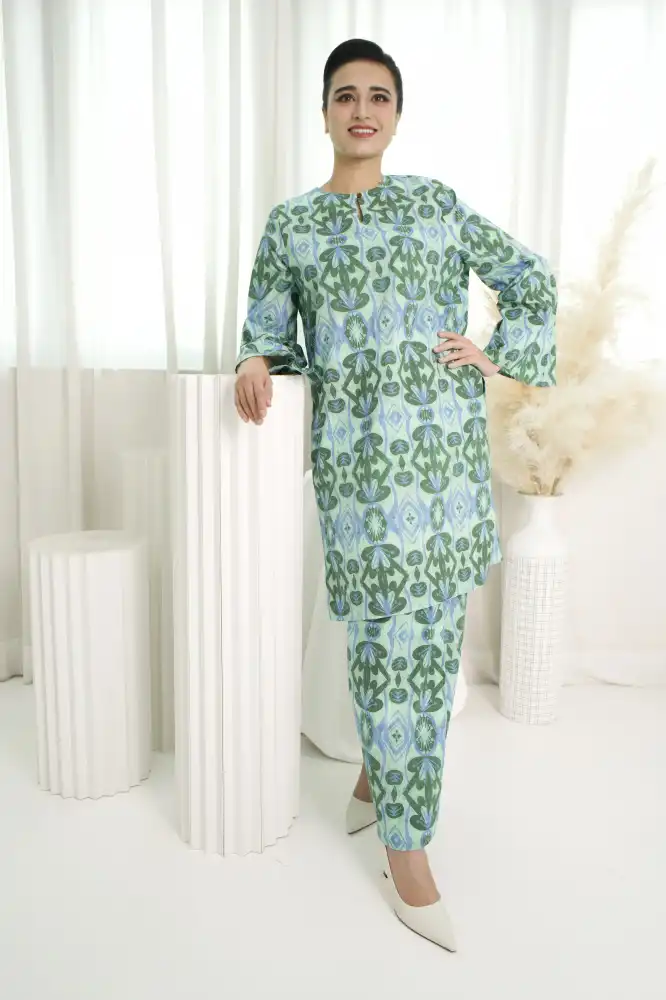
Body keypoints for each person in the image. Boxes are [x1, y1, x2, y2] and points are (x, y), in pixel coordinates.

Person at [234, 38, 557, 951]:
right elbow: (267, 332)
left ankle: (393, 808)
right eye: (346, 95)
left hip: (444, 466)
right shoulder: (292, 226)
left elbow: (531, 280)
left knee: (433, 644)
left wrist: (495, 355)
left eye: (379, 96)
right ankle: (404, 838)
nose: (362, 110)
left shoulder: (435, 205)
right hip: (359, 472)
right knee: (382, 645)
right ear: (324, 112)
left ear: (398, 113)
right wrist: (254, 358)